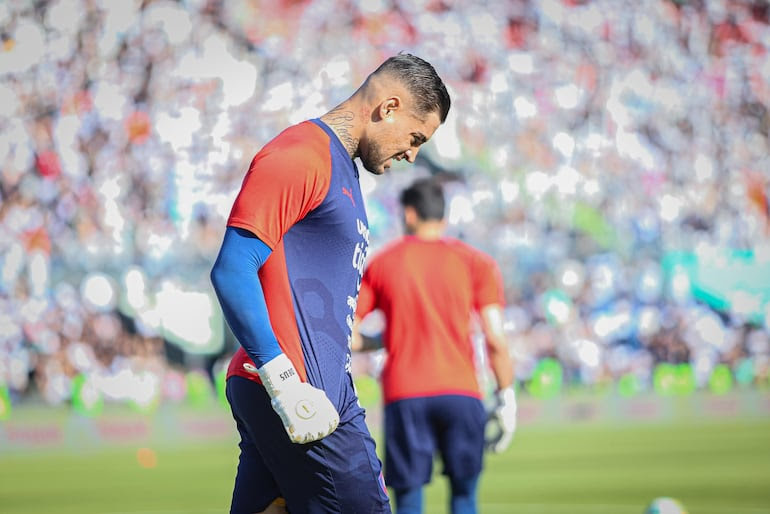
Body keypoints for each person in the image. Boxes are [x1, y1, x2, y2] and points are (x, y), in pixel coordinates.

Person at [209, 53, 451, 514]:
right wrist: (284, 383)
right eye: (415, 137)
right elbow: (232, 268)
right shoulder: (302, 154)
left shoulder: (343, 170)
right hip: (302, 394)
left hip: (309, 390)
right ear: (389, 107)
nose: (412, 154)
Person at [352, 177, 517, 514]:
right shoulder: (477, 263)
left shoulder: (384, 264)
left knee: (410, 500)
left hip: (405, 393)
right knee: (464, 497)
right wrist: (506, 395)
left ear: (409, 214)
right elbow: (496, 338)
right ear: (443, 217)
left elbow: (347, 333)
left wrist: (385, 339)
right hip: (462, 391)